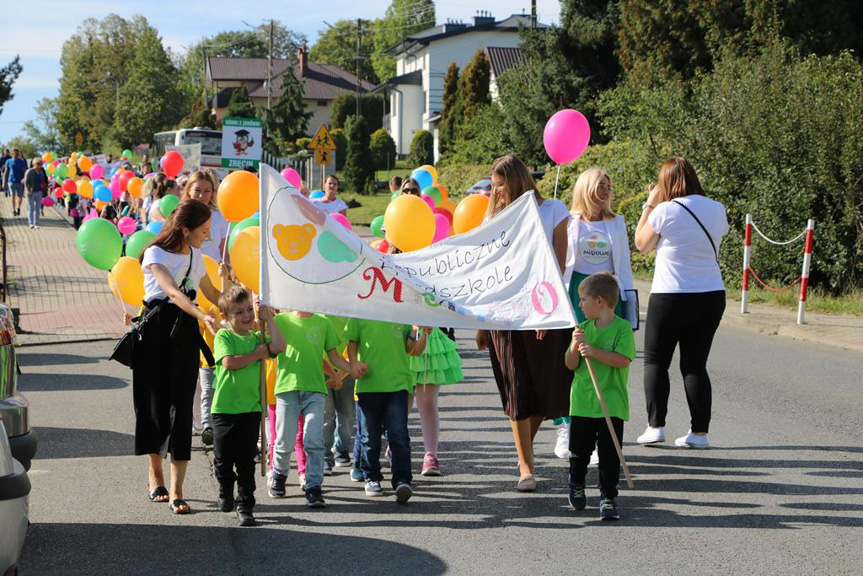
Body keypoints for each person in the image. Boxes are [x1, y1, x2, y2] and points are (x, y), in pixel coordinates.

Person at [475, 154, 573, 492]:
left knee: (547, 392)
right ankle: (525, 465)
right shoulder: (494, 218)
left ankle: (524, 449)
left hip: (544, 310)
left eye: (500, 185)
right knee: (516, 388)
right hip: (504, 315)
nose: (495, 191)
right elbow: (487, 273)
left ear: (517, 180)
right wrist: (481, 322)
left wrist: (543, 312)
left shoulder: (554, 211)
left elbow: (558, 268)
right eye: (493, 186)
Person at [135, 199, 227, 514]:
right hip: (155, 334)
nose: (207, 237)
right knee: (154, 407)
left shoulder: (198, 257)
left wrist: (239, 299)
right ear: (185, 230)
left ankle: (177, 489)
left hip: (185, 336)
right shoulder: (155, 254)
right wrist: (203, 316)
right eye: (202, 232)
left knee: (182, 410)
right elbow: (172, 292)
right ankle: (155, 474)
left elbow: (213, 293)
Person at [634, 157, 728, 449]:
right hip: (711, 293)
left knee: (655, 361)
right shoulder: (716, 208)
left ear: (666, 184)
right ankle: (699, 433)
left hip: (671, 293)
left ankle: (655, 426)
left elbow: (641, 243)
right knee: (695, 365)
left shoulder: (664, 210)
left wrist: (650, 203)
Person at [553, 168, 637, 459]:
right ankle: (567, 426)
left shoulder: (617, 222)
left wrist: (627, 302)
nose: (605, 193)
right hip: (577, 292)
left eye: (608, 187)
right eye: (599, 187)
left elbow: (624, 266)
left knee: (605, 360)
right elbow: (561, 264)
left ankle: (604, 433)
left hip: (608, 292)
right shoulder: (570, 222)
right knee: (573, 360)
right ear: (585, 190)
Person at [211, 286, 285, 527]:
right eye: (238, 312)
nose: (246, 316)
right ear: (226, 318)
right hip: (224, 410)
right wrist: (258, 353)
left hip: (251, 409)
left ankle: (245, 505)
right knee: (223, 460)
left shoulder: (257, 336)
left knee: (245, 461)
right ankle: (224, 488)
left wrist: (269, 319)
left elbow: (279, 346)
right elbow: (229, 362)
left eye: (248, 310)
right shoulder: (224, 336)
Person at [564, 272, 635, 521]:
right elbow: (571, 364)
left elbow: (622, 360)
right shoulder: (581, 329)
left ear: (600, 301)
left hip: (611, 402)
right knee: (579, 451)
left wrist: (594, 351)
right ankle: (576, 484)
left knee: (609, 453)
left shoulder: (622, 328)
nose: (580, 304)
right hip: (583, 401)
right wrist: (575, 346)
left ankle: (608, 496)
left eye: (583, 299)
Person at [269, 309, 357, 508]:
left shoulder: (323, 322)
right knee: (284, 439)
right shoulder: (280, 320)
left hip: (315, 390)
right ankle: (280, 475)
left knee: (313, 439)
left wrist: (351, 368)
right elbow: (268, 348)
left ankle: (314, 486)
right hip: (287, 389)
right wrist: (263, 317)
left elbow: (333, 356)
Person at [346, 319, 428, 503]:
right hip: (368, 384)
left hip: (397, 384)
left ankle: (402, 480)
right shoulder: (360, 310)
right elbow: (352, 341)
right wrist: (354, 362)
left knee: (398, 433)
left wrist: (420, 333)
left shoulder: (400, 309)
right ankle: (372, 477)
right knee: (370, 436)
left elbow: (412, 350)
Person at [181, 170, 230, 447]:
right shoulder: (180, 216)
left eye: (208, 190)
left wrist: (229, 273)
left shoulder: (220, 219)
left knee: (208, 360)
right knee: (186, 360)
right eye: (197, 190)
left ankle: (209, 419)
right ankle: (185, 419)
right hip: (185, 292)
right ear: (189, 190)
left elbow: (224, 252)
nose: (202, 195)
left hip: (211, 293)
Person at [408, 327, 463, 475]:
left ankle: (430, 454)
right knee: (401, 401)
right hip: (402, 336)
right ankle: (395, 444)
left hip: (430, 340)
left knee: (427, 402)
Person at [321, 315, 355, 475]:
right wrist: (331, 374)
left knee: (347, 413)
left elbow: (355, 345)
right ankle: (325, 457)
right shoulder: (319, 315)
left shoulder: (352, 313)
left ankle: (341, 448)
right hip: (322, 369)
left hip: (346, 368)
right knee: (326, 416)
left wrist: (339, 375)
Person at [23, 157, 46, 229]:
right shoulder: (29, 171)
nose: (40, 165)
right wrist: (27, 191)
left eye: (41, 164)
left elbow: (42, 181)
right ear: (34, 164)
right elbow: (26, 182)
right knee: (31, 208)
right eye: (38, 164)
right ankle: (31, 223)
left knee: (37, 208)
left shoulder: (40, 172)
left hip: (39, 191)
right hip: (31, 192)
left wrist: (43, 186)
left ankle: (36, 223)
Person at [5, 149, 28, 216]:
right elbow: (6, 172)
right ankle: (13, 210)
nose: (17, 155)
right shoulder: (8, 161)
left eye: (18, 154)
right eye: (15, 153)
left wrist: (25, 181)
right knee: (13, 195)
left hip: (20, 181)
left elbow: (25, 172)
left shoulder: (22, 161)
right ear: (12, 154)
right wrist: (4, 182)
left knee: (20, 197)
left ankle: (18, 208)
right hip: (11, 181)